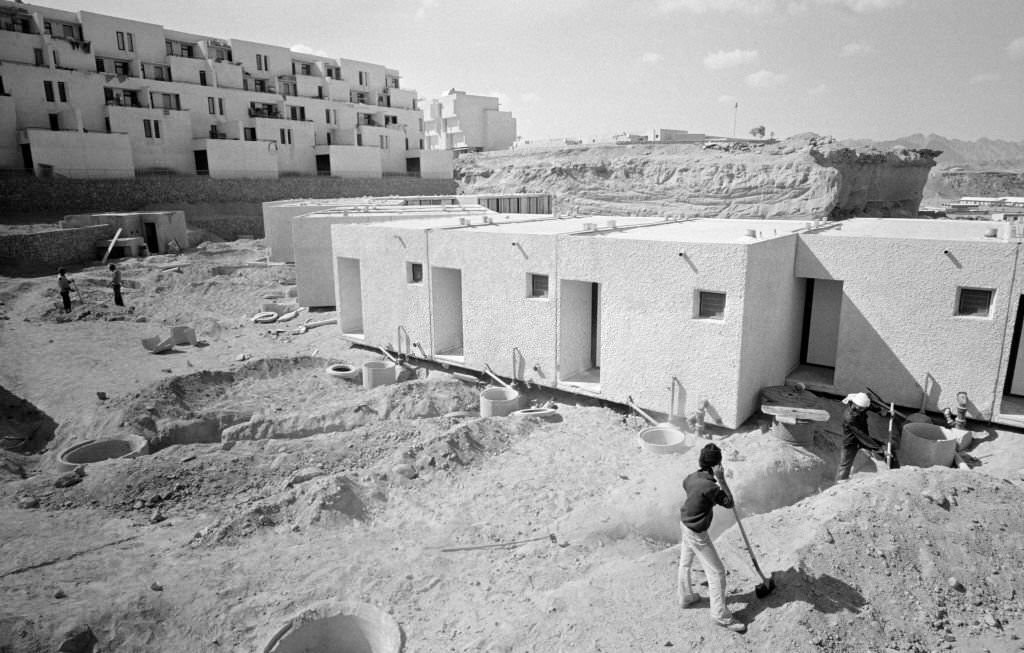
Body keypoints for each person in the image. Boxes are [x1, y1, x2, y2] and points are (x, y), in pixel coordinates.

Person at [677, 443, 746, 634]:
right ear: (717, 465)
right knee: (717, 573)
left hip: (684, 523)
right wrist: (722, 480)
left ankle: (685, 597)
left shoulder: (691, 478)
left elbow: (686, 486)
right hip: (697, 532)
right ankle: (720, 616)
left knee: (685, 562)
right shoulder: (711, 487)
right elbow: (730, 502)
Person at [835, 391, 899, 482]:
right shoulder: (850, 418)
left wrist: (885, 413)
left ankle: (896, 473)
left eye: (863, 408)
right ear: (854, 404)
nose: (862, 410)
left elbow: (871, 407)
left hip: (863, 436)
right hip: (851, 442)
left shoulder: (861, 405)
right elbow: (863, 437)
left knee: (888, 451)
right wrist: (880, 449)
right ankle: (840, 482)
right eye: (860, 408)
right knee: (845, 464)